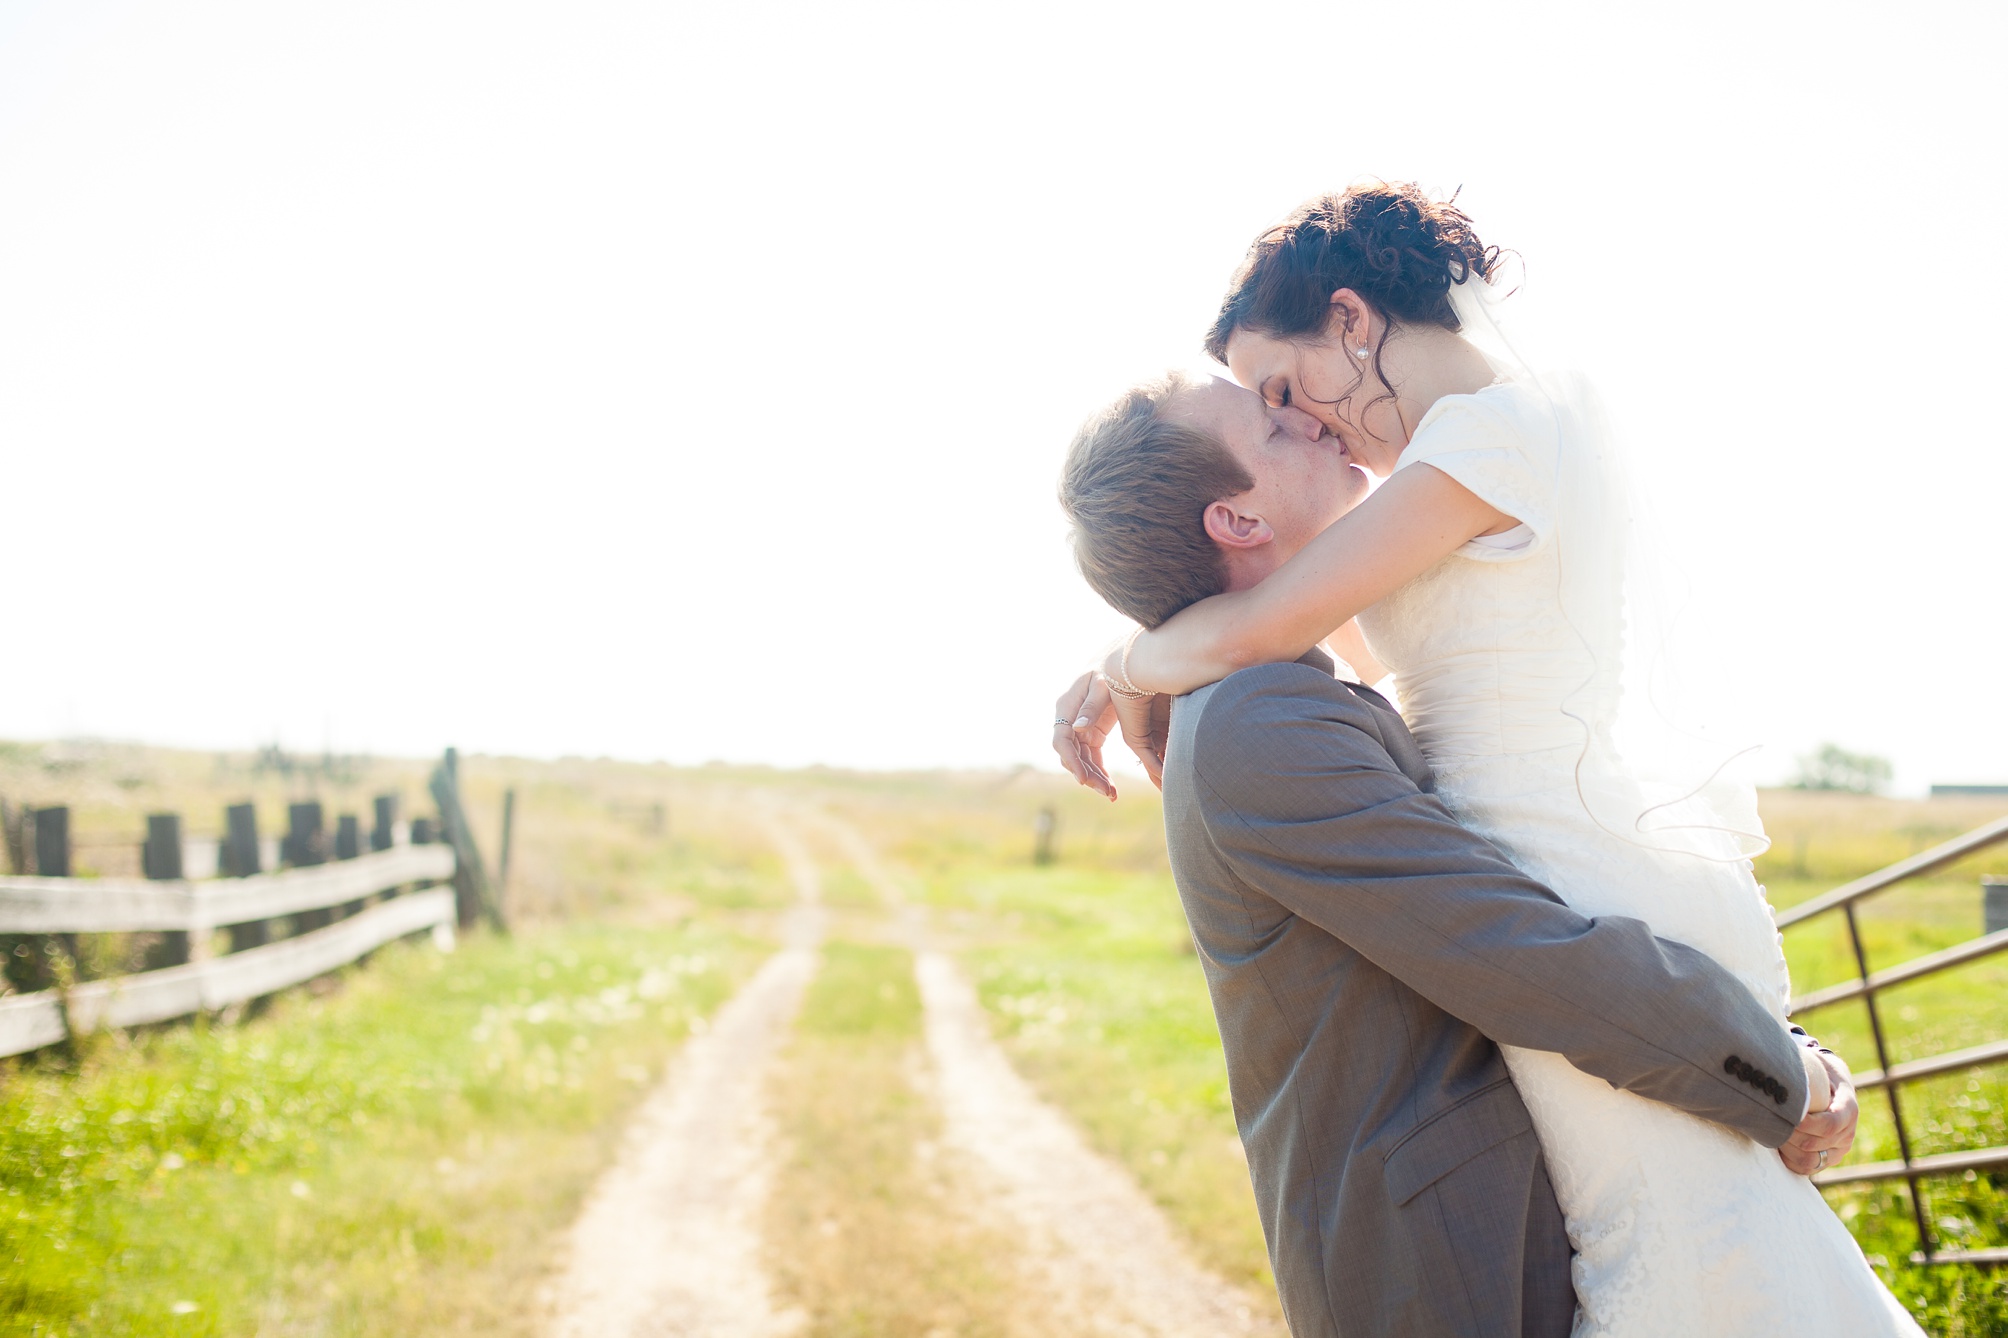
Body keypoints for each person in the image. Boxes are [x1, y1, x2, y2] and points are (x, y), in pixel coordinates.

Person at [1052, 183, 1921, 1336]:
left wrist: (1127, 663)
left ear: (1355, 321)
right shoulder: (1275, 699)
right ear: (1237, 520)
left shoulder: (1482, 445)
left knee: (1699, 1249)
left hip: (1581, 889)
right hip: (1571, 923)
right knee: (1706, 1249)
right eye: (1270, 415)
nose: (1305, 422)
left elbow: (1268, 626)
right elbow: (1296, 635)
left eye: (1283, 388)